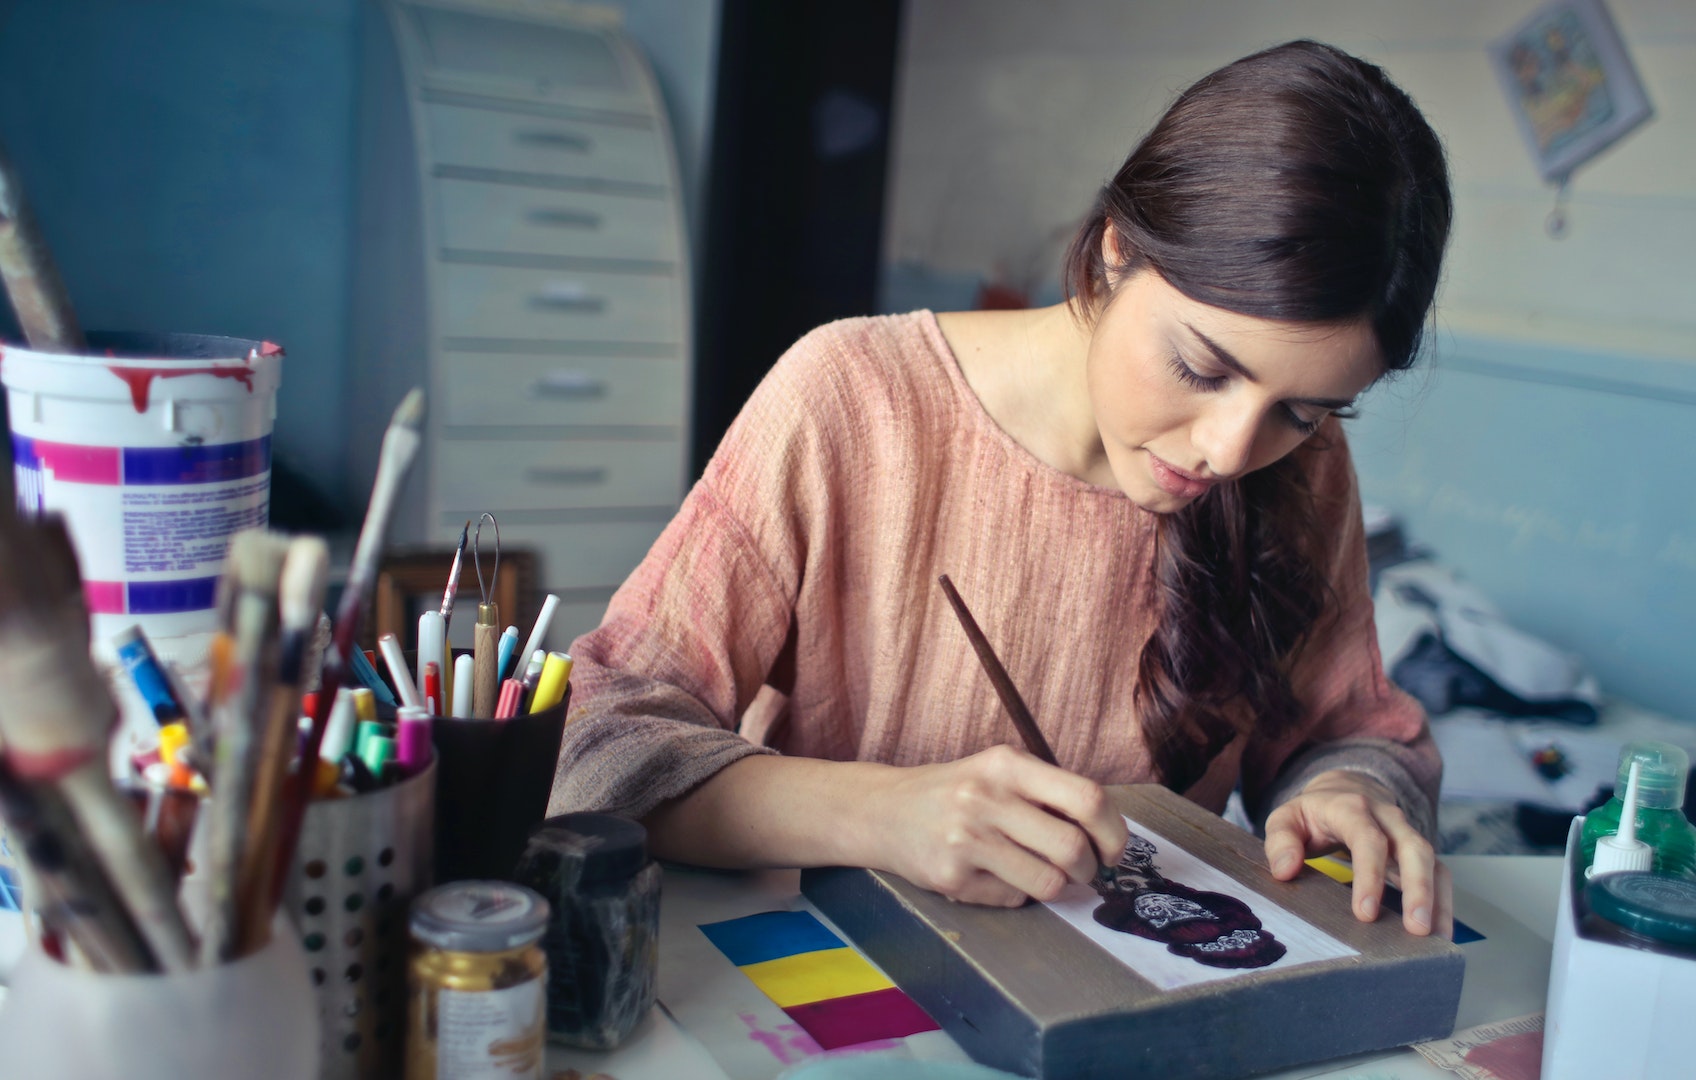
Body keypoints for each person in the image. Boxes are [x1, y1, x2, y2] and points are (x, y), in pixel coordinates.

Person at [550, 40, 1455, 936]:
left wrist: (1350, 787)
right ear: (1112, 252)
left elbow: (1350, 729)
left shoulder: (1301, 465)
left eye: (1302, 410)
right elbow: (597, 745)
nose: (1229, 449)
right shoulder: (851, 398)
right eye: (1199, 365)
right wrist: (881, 814)